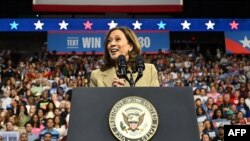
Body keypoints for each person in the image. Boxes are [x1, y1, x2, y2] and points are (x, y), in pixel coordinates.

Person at [90, 27, 159, 87]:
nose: (112, 44)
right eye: (109, 41)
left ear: (130, 46)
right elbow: (95, 102)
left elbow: (154, 99)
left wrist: (125, 92)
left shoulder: (149, 71)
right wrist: (112, 93)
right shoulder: (96, 76)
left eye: (117, 39)